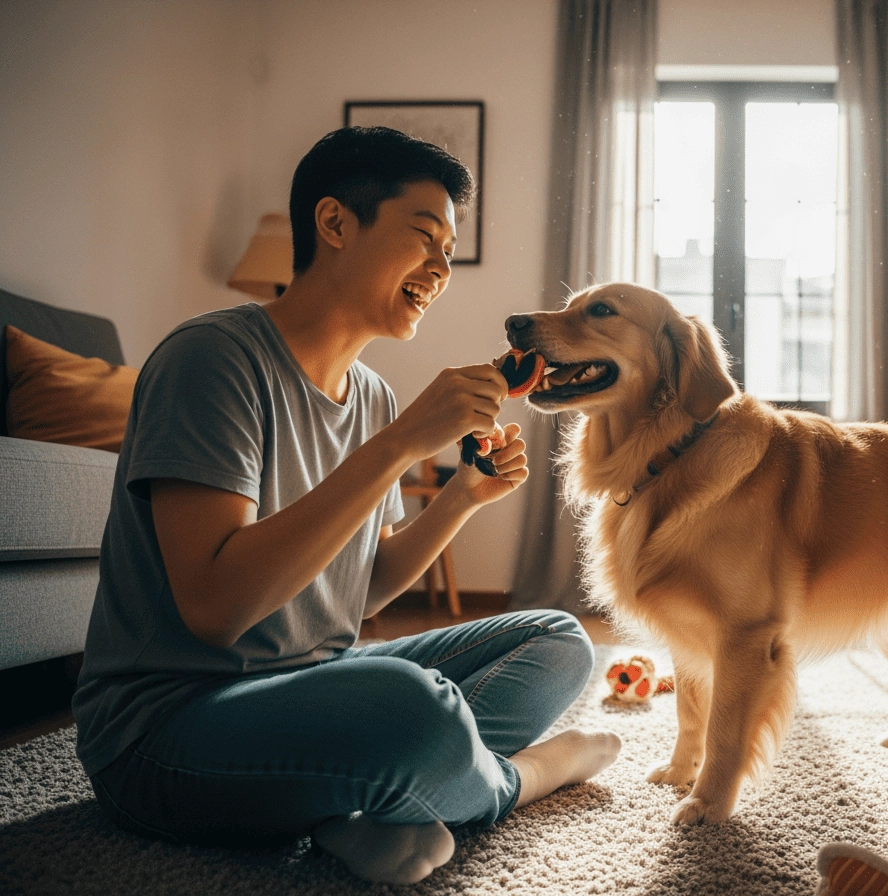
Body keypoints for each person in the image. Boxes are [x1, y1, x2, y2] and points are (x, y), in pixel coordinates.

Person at [72, 126, 621, 885]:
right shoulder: (213, 360)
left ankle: (365, 804)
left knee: (558, 639)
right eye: (425, 237)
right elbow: (214, 608)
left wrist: (463, 495)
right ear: (334, 224)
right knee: (406, 707)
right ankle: (515, 780)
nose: (440, 269)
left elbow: (356, 589)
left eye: (449, 252)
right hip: (165, 731)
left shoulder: (372, 397)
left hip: (308, 681)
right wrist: (397, 446)